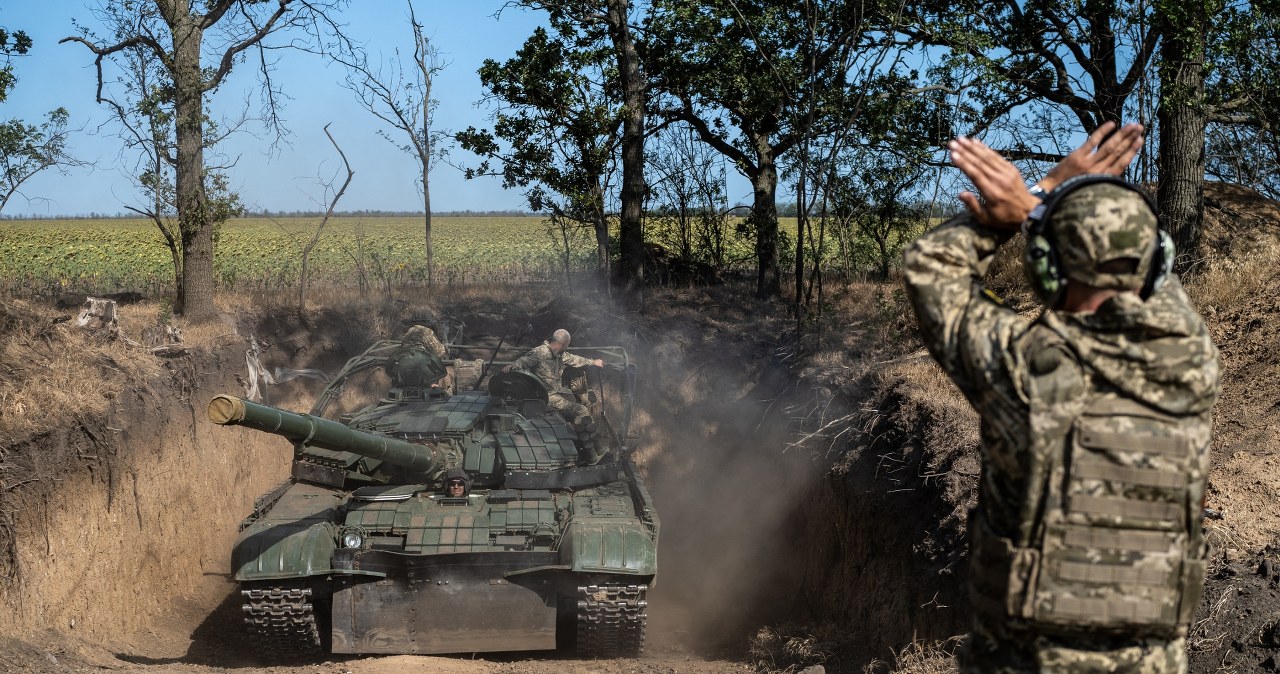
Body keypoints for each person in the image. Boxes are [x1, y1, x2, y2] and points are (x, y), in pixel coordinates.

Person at [902, 122, 1220, 674]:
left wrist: (1039, 197)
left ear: (1047, 269)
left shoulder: (1022, 368)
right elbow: (1156, 281)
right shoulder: (1192, 365)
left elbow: (930, 268)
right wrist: (1047, 211)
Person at [503, 329, 606, 451]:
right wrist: (513, 365)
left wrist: (593, 362)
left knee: (579, 404)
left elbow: (574, 359)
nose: (567, 347)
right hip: (545, 398)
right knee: (581, 410)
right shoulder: (540, 352)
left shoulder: (559, 354)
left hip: (556, 394)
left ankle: (577, 439)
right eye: (567, 345)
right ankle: (589, 449)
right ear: (564, 344)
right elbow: (524, 360)